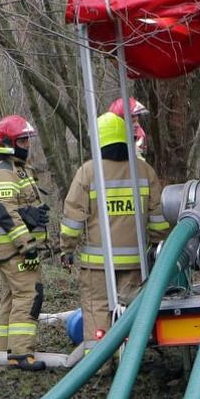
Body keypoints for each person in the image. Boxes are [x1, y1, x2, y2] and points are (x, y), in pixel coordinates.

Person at [60, 112, 169, 346]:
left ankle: (98, 366)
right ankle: (131, 357)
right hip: (134, 264)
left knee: (97, 311)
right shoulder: (144, 171)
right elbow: (159, 219)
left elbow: (73, 218)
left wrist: (66, 249)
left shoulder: (88, 172)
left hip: (96, 265)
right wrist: (155, 246)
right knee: (132, 313)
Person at [0, 115, 50, 370]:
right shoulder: (3, 172)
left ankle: (5, 352)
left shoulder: (17, 167)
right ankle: (21, 354)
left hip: (12, 248)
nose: (27, 144)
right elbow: (6, 213)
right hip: (14, 249)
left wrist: (32, 215)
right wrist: (27, 245)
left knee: (11, 298)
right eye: (22, 140)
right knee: (29, 295)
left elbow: (17, 207)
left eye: (27, 139)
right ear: (8, 142)